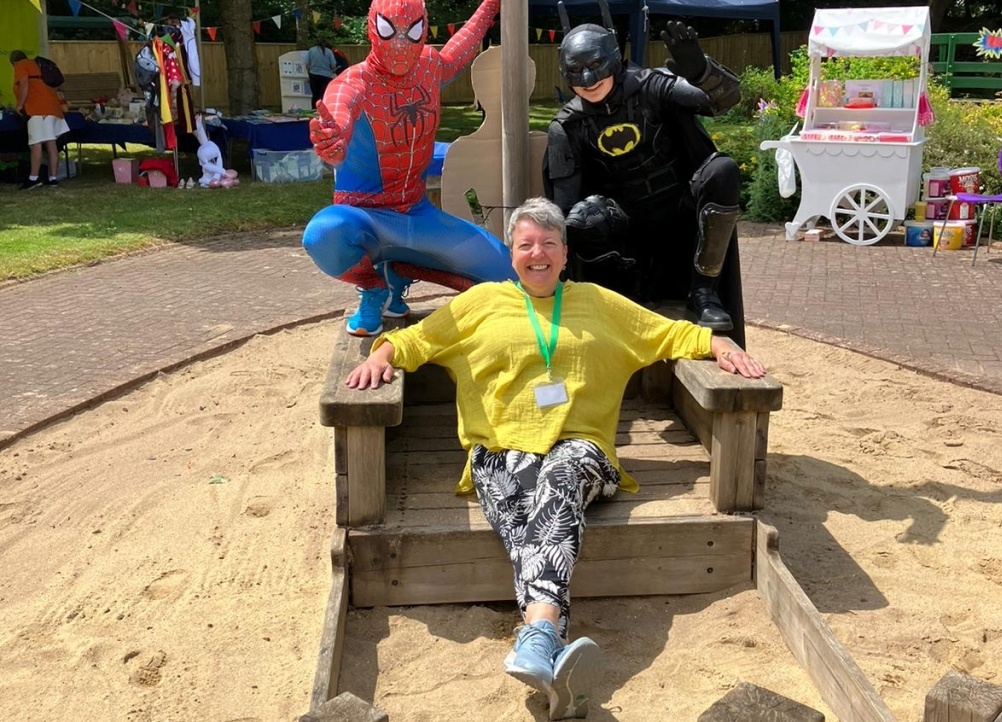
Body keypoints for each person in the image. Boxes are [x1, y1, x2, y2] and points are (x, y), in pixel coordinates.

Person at [345, 197, 765, 719]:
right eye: (525, 245)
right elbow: (414, 341)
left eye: (548, 244)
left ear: (565, 254)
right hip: (499, 451)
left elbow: (671, 333)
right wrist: (380, 358)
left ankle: (538, 634)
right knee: (527, 516)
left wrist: (719, 346)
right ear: (512, 254)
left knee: (560, 477)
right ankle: (546, 653)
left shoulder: (598, 302)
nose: (537, 253)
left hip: (580, 447)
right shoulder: (480, 304)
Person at [303, 0, 514, 338]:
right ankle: (374, 287)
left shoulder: (429, 64)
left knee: (511, 277)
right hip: (364, 218)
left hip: (417, 213)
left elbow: (462, 45)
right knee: (325, 233)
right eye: (390, 30)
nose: (400, 43)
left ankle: (396, 271)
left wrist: (489, 5)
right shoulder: (351, 83)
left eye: (412, 31)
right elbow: (340, 112)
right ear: (372, 27)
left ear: (424, 27)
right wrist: (333, 141)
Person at [544, 12, 747, 345]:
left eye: (595, 65)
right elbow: (564, 203)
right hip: (627, 224)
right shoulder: (568, 126)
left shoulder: (653, 86)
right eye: (576, 71)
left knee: (721, 170)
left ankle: (704, 293)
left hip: (682, 207)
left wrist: (699, 72)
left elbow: (724, 101)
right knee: (579, 221)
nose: (588, 78)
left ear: (613, 60)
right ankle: (630, 288)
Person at [9, 50, 69, 190]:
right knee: (51, 143)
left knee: (35, 144)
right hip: (53, 108)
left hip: (38, 109)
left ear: (13, 62)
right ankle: (53, 178)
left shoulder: (21, 65)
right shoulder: (36, 64)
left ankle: (33, 178)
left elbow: (24, 83)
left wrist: (20, 104)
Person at [307, 38, 337, 109]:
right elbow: (333, 65)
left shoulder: (311, 50)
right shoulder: (329, 52)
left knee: (315, 95)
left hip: (313, 75)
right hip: (326, 76)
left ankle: (314, 110)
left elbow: (308, 64)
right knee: (323, 95)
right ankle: (322, 111)